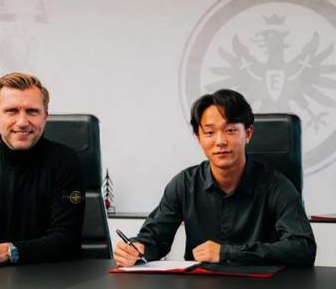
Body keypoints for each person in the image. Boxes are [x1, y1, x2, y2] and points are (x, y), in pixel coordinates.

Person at [114, 89, 316, 266]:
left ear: (248, 133)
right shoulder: (184, 184)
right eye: (209, 132)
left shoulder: (276, 186)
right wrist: (138, 248)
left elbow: (303, 247)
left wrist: (226, 253)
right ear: (198, 138)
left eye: (230, 130)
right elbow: (155, 237)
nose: (220, 141)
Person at [0, 72, 85, 269]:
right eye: (12, 111)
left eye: (32, 111)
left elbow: (66, 240)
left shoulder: (66, 162)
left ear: (45, 116)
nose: (22, 122)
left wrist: (6, 252)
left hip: (52, 278)